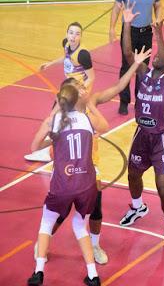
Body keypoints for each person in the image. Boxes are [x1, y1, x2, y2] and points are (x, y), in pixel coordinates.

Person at [27, 47, 152, 286]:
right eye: (80, 84)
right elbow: (49, 138)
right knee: (65, 215)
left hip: (89, 167)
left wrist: (135, 65)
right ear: (73, 92)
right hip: (69, 168)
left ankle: (93, 245)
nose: (85, 85)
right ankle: (48, 245)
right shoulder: (65, 111)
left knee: (94, 209)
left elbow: (117, 88)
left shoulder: (87, 102)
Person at [119, 2, 164, 251]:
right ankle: (137, 207)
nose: (155, 56)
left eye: (160, 56)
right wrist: (126, 23)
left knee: (163, 186)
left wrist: (159, 34)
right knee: (133, 174)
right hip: (142, 134)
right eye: (155, 54)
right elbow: (127, 55)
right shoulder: (144, 73)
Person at [24, 21, 95, 163]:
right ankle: (51, 149)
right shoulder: (66, 44)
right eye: (71, 33)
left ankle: (50, 152)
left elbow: (92, 77)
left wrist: (80, 92)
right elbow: (66, 58)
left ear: (81, 36)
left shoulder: (83, 55)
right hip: (67, 90)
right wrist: (50, 63)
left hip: (77, 93)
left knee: (55, 117)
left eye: (77, 34)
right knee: (57, 118)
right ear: (66, 33)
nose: (73, 36)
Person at [109, 0, 163, 115]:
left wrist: (158, 19)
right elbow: (116, 8)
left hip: (146, 33)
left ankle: (140, 100)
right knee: (127, 67)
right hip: (129, 33)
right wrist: (111, 28)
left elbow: (159, 5)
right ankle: (124, 102)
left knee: (143, 68)